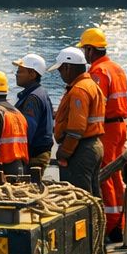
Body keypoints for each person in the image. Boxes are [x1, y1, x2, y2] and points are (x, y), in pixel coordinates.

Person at [78, 27, 127, 243]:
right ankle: (119, 222)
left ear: (90, 50)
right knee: (116, 176)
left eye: (84, 50)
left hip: (107, 129)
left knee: (105, 176)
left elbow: (96, 104)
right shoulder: (116, 68)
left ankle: (110, 225)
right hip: (119, 126)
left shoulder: (98, 72)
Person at [51, 46, 105, 197]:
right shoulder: (90, 85)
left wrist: (64, 152)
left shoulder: (79, 90)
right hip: (92, 145)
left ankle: (87, 221)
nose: (60, 74)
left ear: (67, 67)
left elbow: (76, 128)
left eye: (60, 70)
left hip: (81, 150)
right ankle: (97, 220)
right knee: (93, 195)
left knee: (79, 198)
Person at [11, 53, 55, 178]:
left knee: (29, 189)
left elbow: (28, 130)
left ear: (32, 75)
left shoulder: (32, 98)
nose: (16, 74)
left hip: (35, 155)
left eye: (21, 71)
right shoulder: (39, 92)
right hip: (40, 152)